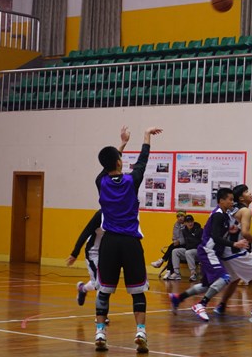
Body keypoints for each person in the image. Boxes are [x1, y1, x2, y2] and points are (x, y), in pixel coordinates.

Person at [94, 126, 162, 353]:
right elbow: (143, 160)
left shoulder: (100, 182)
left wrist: (121, 145)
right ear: (119, 162)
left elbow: (107, 166)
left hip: (109, 242)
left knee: (104, 289)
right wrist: (146, 136)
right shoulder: (131, 181)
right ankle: (140, 331)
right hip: (130, 242)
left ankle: (100, 332)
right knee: (137, 290)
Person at [168, 188, 249, 322]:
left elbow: (218, 232)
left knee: (206, 285)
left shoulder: (223, 215)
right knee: (225, 278)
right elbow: (216, 237)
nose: (232, 202)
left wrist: (230, 231)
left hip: (211, 252)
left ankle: (178, 298)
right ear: (221, 200)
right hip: (208, 252)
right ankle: (201, 304)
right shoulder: (218, 215)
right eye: (229, 199)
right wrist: (234, 244)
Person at [212, 184, 252, 319]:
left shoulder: (232, 209)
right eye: (246, 192)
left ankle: (221, 305)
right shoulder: (245, 211)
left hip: (223, 249)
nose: (250, 193)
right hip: (233, 249)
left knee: (234, 278)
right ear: (240, 198)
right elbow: (245, 232)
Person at [66, 210, 103, 306]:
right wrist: (75, 253)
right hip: (93, 252)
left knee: (100, 282)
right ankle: (100, 312)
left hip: (106, 252)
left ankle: (82, 289)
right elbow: (85, 233)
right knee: (100, 283)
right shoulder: (100, 215)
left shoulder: (120, 214)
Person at [150, 210, 187, 280]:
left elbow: (187, 238)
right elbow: (174, 236)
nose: (180, 218)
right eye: (178, 216)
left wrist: (179, 241)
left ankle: (162, 261)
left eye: (182, 216)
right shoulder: (176, 224)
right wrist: (175, 241)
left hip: (185, 245)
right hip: (177, 245)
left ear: (185, 216)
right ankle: (169, 271)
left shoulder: (187, 225)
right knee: (172, 250)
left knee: (172, 247)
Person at [169, 214, 203, 281]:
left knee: (188, 252)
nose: (190, 223)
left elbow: (199, 243)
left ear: (193, 221)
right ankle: (176, 273)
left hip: (198, 251)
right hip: (189, 250)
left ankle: (193, 273)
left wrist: (190, 245)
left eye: (191, 221)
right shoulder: (184, 231)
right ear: (185, 223)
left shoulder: (199, 230)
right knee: (175, 251)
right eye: (188, 222)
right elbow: (186, 243)